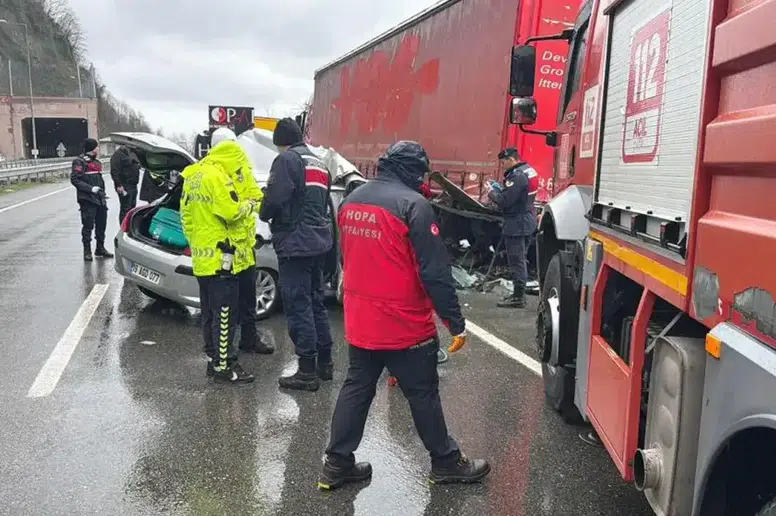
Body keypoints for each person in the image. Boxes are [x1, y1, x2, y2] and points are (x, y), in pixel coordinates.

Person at [318, 141, 490, 490]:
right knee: (423, 394)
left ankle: (336, 465)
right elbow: (435, 273)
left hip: (361, 320)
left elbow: (343, 257)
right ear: (413, 170)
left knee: (357, 388)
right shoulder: (414, 205)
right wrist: (455, 322)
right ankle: (445, 462)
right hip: (405, 324)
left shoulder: (351, 201)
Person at [259, 118, 334, 392]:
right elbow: (325, 205)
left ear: (281, 142)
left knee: (298, 305)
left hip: (295, 243)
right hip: (318, 242)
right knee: (316, 303)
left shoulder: (287, 160)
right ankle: (325, 364)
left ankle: (306, 372)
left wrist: (263, 211)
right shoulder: (319, 163)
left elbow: (276, 199)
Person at [180, 140, 258, 384]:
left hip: (202, 257)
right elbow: (230, 212)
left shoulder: (193, 176)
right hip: (222, 257)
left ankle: (213, 360)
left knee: (209, 313)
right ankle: (226, 366)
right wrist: (249, 205)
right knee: (225, 314)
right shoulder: (218, 177)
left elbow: (185, 216)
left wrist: (196, 242)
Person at [210, 127, 275, 355]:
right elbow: (228, 211)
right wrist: (250, 206)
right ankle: (221, 353)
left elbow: (255, 197)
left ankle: (248, 340)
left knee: (247, 299)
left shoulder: (241, 170)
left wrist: (267, 205)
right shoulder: (213, 175)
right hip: (223, 251)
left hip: (244, 249)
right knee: (223, 306)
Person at [488, 147, 538, 308]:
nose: (503, 166)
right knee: (521, 259)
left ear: (511, 159)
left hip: (517, 223)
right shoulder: (529, 170)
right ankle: (519, 293)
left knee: (517, 260)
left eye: (503, 163)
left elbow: (505, 201)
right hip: (527, 219)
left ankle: (518, 297)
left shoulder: (517, 176)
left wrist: (492, 192)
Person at [71, 138, 113, 262]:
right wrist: (90, 189)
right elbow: (75, 180)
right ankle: (87, 251)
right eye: (96, 148)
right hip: (87, 199)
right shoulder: (79, 162)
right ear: (92, 149)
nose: (98, 150)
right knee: (88, 226)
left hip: (99, 199)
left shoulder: (98, 163)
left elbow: (99, 180)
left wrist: (102, 194)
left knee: (101, 224)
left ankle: (100, 248)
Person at [110, 145, 142, 224]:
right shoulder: (117, 155)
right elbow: (114, 171)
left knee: (132, 207)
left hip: (133, 185)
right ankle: (123, 228)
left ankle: (129, 226)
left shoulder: (131, 153)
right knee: (125, 208)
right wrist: (118, 185)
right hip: (124, 185)